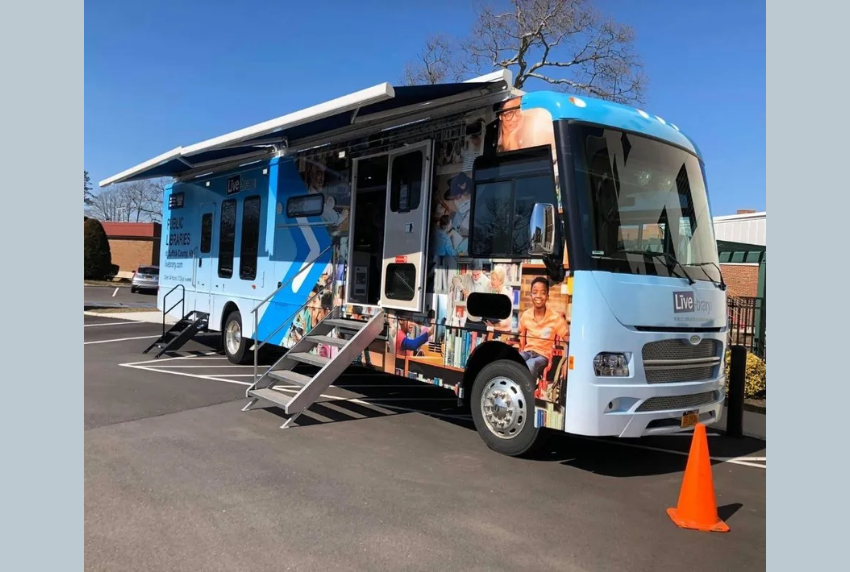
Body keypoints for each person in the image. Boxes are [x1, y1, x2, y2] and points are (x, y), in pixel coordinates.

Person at [518, 277, 569, 381]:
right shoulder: (526, 315)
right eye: (535, 292)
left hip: (543, 357)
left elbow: (569, 340)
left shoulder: (555, 318)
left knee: (530, 364)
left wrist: (567, 361)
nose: (538, 296)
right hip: (527, 352)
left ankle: (527, 394)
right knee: (514, 360)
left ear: (547, 296)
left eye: (542, 293)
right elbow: (518, 334)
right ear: (530, 295)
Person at [452, 259, 490, 332]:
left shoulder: (487, 283)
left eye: (478, 274)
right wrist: (463, 290)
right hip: (469, 319)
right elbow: (454, 279)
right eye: (474, 275)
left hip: (481, 321)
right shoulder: (467, 276)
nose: (475, 277)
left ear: (482, 271)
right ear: (471, 272)